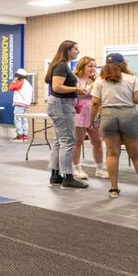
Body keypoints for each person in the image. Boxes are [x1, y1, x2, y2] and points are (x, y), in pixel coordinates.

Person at [90, 53, 138, 199]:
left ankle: (114, 189)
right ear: (123, 63)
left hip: (108, 115)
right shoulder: (131, 78)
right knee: (136, 154)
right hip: (128, 114)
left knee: (112, 153)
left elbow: (94, 103)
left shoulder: (100, 80)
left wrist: (91, 121)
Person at [45, 41, 89, 189]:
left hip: (61, 104)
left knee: (59, 141)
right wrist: (76, 89)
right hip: (61, 105)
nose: (78, 51)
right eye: (75, 49)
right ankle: (68, 177)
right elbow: (57, 87)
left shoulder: (61, 65)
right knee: (67, 141)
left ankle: (55, 174)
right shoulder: (61, 66)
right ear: (67, 50)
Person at [71, 57, 107, 179]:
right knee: (78, 141)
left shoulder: (97, 79)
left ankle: (100, 169)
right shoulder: (74, 78)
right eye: (90, 66)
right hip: (79, 112)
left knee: (97, 142)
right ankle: (76, 168)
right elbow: (81, 93)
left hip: (94, 112)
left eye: (94, 66)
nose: (93, 69)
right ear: (82, 66)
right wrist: (93, 85)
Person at [9, 68, 32, 142]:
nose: (15, 77)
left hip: (19, 104)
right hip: (25, 105)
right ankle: (24, 136)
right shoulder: (28, 84)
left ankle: (19, 136)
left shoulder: (21, 82)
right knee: (24, 119)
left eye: (16, 76)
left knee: (18, 119)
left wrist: (14, 81)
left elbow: (11, 88)